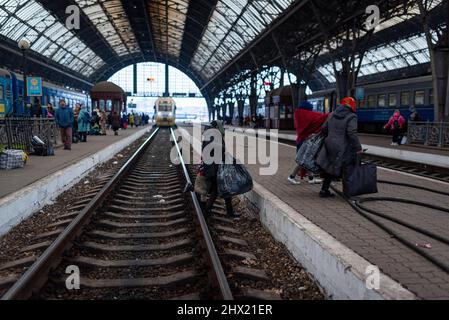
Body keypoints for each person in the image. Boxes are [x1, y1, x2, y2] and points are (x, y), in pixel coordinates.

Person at [316, 97, 363, 198]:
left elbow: (324, 128)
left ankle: (324, 190)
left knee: (329, 166)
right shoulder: (352, 116)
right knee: (347, 168)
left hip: (329, 144)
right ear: (351, 105)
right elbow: (352, 133)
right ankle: (347, 194)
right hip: (344, 146)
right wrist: (358, 148)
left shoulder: (332, 114)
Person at [201, 120, 241, 220]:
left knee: (219, 189)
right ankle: (227, 212)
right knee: (224, 189)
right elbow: (218, 149)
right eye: (221, 126)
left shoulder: (210, 134)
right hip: (214, 168)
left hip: (213, 167)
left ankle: (209, 209)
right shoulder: (213, 135)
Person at [288, 101, 330, 185]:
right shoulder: (305, 115)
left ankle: (311, 178)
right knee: (303, 161)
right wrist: (330, 114)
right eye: (310, 109)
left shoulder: (299, 115)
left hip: (301, 140)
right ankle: (291, 176)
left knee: (306, 160)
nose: (311, 112)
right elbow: (319, 118)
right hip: (304, 142)